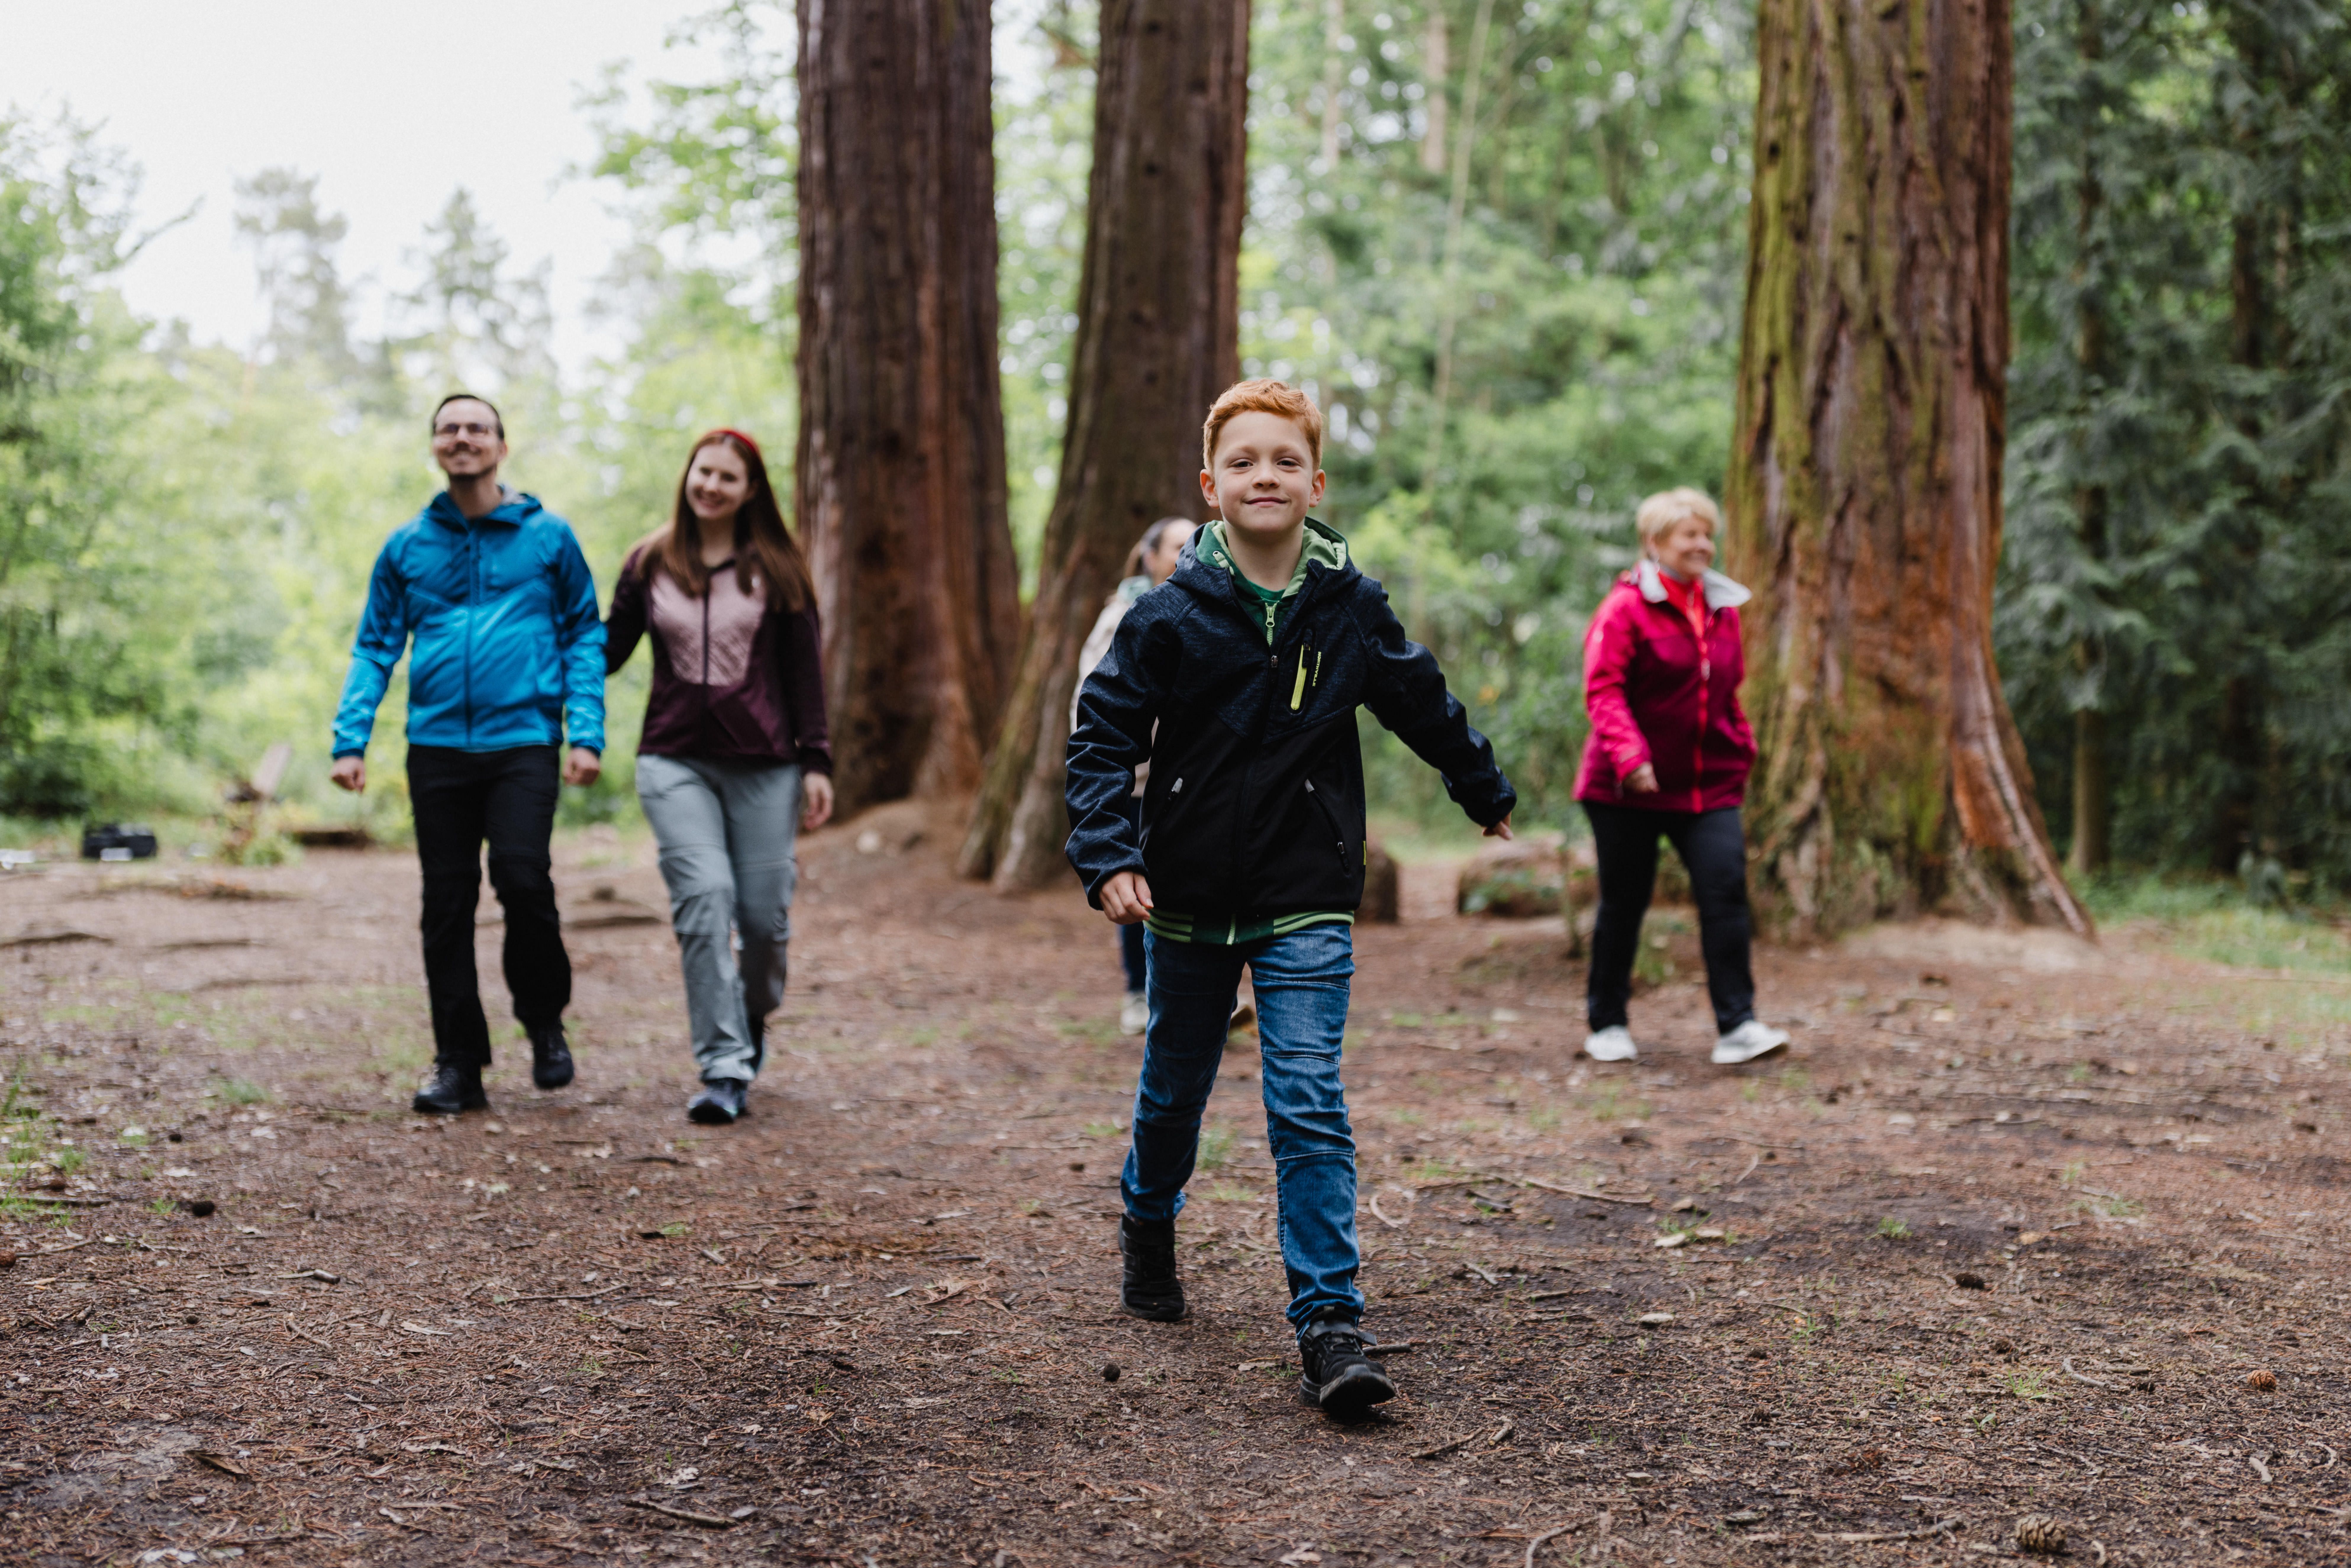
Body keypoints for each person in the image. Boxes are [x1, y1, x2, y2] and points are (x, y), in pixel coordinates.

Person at [1065, 379, 1517, 1421]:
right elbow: (1101, 740)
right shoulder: (1168, 614)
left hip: (1306, 889)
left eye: (1282, 461)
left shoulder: (1349, 608)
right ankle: (1147, 1217)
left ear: (1314, 484)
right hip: (1184, 895)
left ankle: (1329, 1322)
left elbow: (1419, 699)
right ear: (1209, 486)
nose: (1261, 475)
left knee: (1305, 1099)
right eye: (1241, 461)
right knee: (1174, 1086)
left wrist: (1480, 788)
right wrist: (1108, 853)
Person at [331, 393, 606, 1115]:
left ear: (501, 447)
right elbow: (375, 646)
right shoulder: (406, 547)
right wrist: (350, 739)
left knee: (523, 879)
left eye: (476, 428)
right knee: (446, 904)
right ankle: (459, 1063)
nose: (463, 438)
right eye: (449, 428)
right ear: (434, 447)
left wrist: (587, 731)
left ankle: (544, 1020)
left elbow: (585, 633)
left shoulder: (549, 538)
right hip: (438, 748)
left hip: (524, 743)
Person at [604, 430, 835, 1125]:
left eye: (727, 478)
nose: (710, 486)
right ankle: (724, 1068)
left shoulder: (779, 569)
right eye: (703, 472)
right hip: (673, 760)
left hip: (766, 766)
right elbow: (606, 652)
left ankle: (752, 1014)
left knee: (763, 919)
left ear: (749, 489)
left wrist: (817, 761)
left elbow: (805, 675)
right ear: (687, 476)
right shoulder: (650, 562)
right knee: (704, 899)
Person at [1573, 486, 1790, 1067]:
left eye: (1706, 533)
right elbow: (1603, 689)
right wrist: (1631, 757)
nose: (1702, 544)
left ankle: (1738, 1025)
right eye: (1688, 534)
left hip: (1706, 784)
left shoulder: (1721, 608)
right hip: (1626, 788)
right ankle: (1608, 1023)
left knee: (1724, 894)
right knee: (1625, 902)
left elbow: (1726, 692)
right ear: (1655, 542)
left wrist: (1741, 746)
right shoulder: (1625, 608)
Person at [1071, 516, 1197, 1037]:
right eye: (1176, 545)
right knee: (1132, 885)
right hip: (1136, 782)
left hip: (1187, 782)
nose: (1188, 552)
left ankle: (1191, 993)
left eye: (1196, 541)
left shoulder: (1209, 609)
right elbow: (1094, 703)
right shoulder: (1123, 616)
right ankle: (1137, 993)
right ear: (1150, 556)